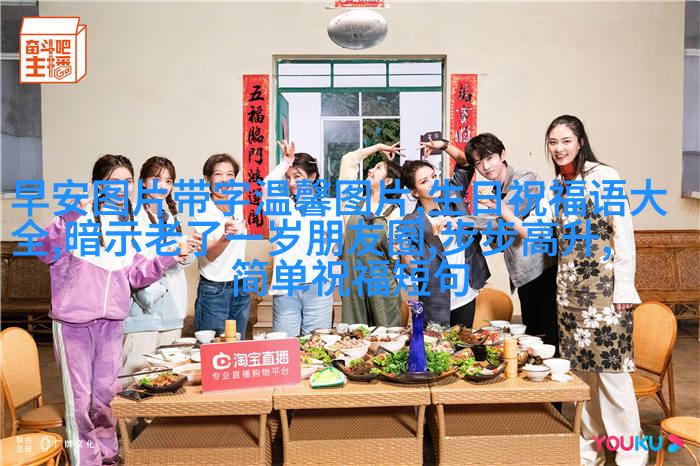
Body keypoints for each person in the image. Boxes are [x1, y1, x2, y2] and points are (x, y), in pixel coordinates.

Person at [492, 115, 645, 466]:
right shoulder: (555, 187)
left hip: (606, 294)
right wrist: (508, 216)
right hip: (569, 296)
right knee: (582, 379)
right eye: (553, 142)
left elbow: (623, 233)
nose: (558, 148)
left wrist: (624, 289)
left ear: (580, 142)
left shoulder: (604, 177)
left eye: (565, 141)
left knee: (613, 378)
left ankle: (630, 455)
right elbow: (536, 232)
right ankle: (589, 451)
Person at [37, 154, 180, 466]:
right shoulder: (76, 218)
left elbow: (136, 275)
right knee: (79, 403)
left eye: (127, 181)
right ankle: (85, 461)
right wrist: (69, 216)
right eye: (114, 182)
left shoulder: (126, 227)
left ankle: (108, 458)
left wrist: (169, 255)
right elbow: (43, 251)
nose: (122, 188)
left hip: (112, 325)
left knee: (105, 399)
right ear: (97, 185)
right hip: (73, 326)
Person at [462, 133, 559, 349]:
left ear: (503, 155)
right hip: (523, 275)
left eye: (489, 158)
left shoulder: (526, 180)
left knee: (548, 338)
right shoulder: (494, 191)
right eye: (478, 163)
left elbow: (505, 218)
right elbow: (498, 239)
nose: (486, 166)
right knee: (532, 337)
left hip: (543, 269)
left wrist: (461, 221)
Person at [121, 156, 201, 380]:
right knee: (134, 377)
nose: (163, 186)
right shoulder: (131, 217)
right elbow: (135, 265)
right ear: (143, 182)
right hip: (142, 311)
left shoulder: (169, 218)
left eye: (169, 181)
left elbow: (179, 263)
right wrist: (171, 251)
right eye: (156, 179)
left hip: (172, 309)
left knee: (166, 377)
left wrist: (188, 249)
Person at [400, 140, 490, 327]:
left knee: (463, 342)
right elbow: (411, 266)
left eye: (433, 176)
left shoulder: (452, 197)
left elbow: (466, 163)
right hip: (436, 301)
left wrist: (442, 145)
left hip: (466, 294)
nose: (433, 183)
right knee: (437, 344)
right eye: (424, 181)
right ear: (415, 192)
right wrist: (406, 257)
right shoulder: (411, 222)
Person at [262, 141, 341, 336]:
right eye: (288, 177)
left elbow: (336, 248)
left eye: (297, 176)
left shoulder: (330, 209)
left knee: (316, 344)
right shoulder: (282, 207)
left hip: (318, 288)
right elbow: (267, 187)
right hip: (286, 287)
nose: (292, 183)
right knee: (284, 343)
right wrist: (286, 162)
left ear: (312, 177)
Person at [338, 142, 404, 327]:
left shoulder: (395, 213)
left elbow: (395, 253)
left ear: (388, 181)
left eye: (378, 168)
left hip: (381, 284)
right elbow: (348, 160)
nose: (370, 170)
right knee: (355, 336)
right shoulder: (352, 203)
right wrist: (378, 147)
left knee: (388, 338)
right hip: (353, 283)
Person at [193, 153, 250, 339]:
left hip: (241, 287)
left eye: (230, 174)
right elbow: (209, 254)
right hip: (214, 290)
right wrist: (225, 237)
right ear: (207, 179)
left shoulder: (241, 204)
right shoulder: (202, 210)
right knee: (212, 348)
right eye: (218, 174)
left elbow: (266, 186)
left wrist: (286, 162)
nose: (225, 180)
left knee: (237, 346)